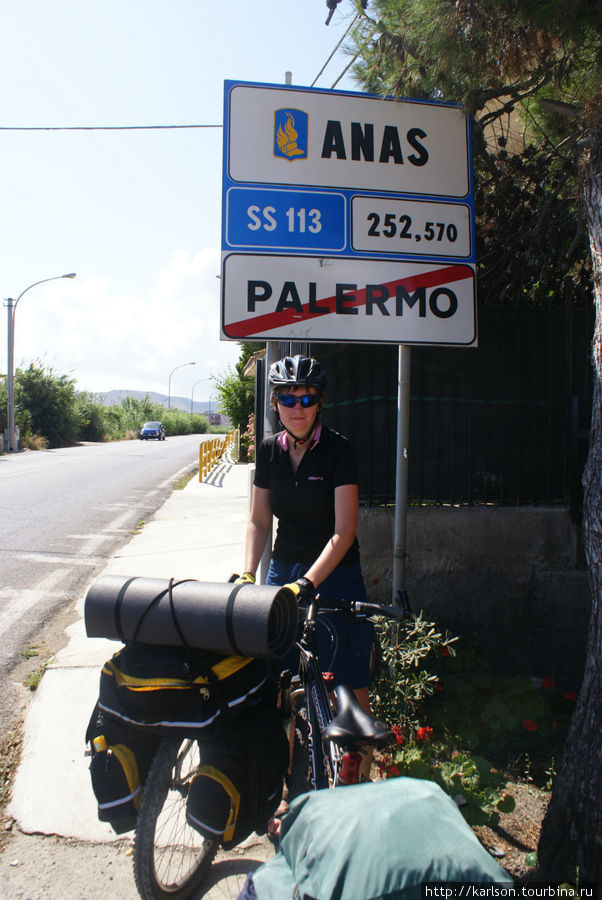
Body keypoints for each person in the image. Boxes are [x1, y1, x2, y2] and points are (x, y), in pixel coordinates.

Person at [237, 354, 374, 820]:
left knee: (350, 680)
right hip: (284, 571)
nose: (297, 406)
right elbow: (258, 521)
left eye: (307, 397)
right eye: (287, 398)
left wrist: (308, 584)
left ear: (320, 403)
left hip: (334, 570)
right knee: (279, 684)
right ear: (275, 403)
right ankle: (285, 788)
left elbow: (344, 531)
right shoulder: (269, 451)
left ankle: (353, 779)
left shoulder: (340, 450)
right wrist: (247, 574)